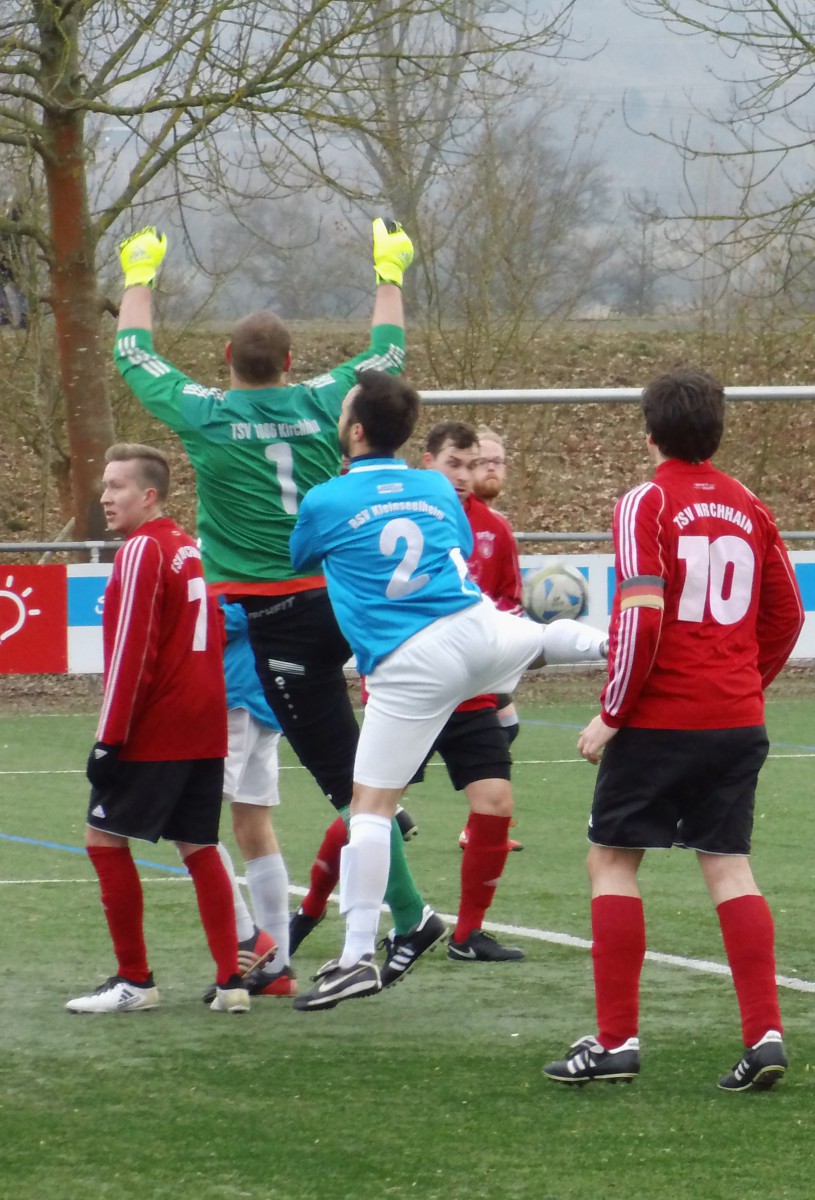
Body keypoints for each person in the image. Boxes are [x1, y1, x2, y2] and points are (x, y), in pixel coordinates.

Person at [112, 220, 444, 983]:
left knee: (348, 786)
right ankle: (400, 912)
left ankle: (409, 915)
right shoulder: (326, 399)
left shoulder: (205, 411)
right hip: (338, 600)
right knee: (353, 776)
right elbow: (388, 354)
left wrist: (140, 273)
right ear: (290, 362)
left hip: (279, 621)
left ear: (227, 357)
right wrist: (388, 268)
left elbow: (131, 353)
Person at [288, 370, 609, 1011]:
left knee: (370, 809)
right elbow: (453, 547)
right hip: (478, 629)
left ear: (355, 430)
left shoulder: (324, 500)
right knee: (541, 639)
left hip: (411, 660)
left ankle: (355, 957)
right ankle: (620, 643)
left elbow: (301, 557)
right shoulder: (434, 485)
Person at [542, 369, 804, 1091]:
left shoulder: (645, 501)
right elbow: (786, 615)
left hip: (660, 718)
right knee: (728, 865)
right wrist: (743, 683)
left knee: (612, 861)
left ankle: (616, 1042)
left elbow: (642, 615)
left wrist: (611, 713)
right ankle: (764, 1037)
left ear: (649, 431)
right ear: (716, 431)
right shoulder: (749, 503)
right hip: (736, 719)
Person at [290, 420, 528, 968]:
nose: (464, 476)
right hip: (409, 690)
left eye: (474, 465)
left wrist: (500, 669)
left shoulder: (496, 530)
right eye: (454, 465)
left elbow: (507, 603)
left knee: (495, 801)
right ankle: (310, 908)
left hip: (470, 693)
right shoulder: (406, 506)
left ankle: (468, 934)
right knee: (368, 807)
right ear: (428, 464)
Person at [67, 444, 249, 1015]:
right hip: (203, 724)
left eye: (117, 486)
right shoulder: (186, 547)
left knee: (103, 838)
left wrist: (109, 738)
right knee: (199, 845)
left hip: (158, 725)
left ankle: (134, 981)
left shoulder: (144, 548)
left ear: (149, 496)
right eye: (105, 485)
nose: (105, 496)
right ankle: (232, 982)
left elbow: (132, 650)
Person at [206, 600, 296, 1001]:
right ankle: (277, 969)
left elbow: (233, 616)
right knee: (253, 827)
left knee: (191, 823)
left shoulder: (228, 559)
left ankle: (248, 938)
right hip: (261, 691)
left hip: (234, 692)